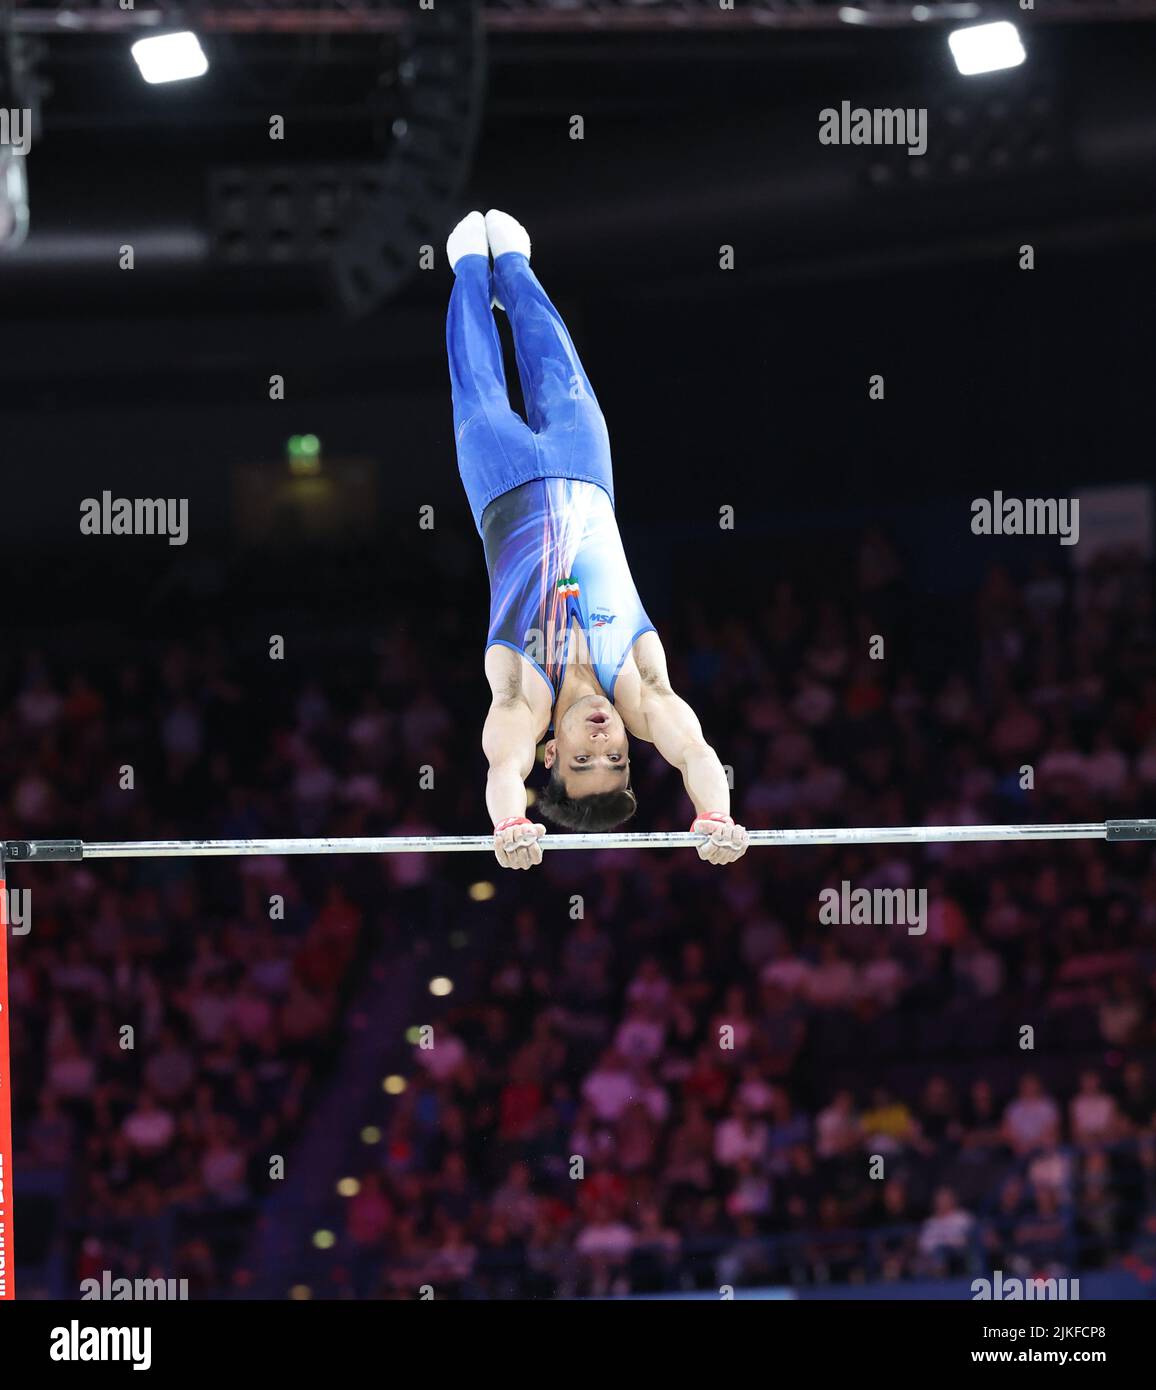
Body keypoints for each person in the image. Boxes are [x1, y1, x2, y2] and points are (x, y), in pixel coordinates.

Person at [446, 209, 748, 871]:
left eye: (582, 760)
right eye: (616, 760)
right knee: (554, 354)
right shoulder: (640, 684)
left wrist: (511, 823)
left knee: (478, 375)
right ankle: (517, 270)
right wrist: (715, 814)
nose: (604, 741)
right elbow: (696, 751)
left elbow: (502, 762)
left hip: (500, 484)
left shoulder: (523, 699)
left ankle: (469, 269)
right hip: (587, 470)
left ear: (550, 754)